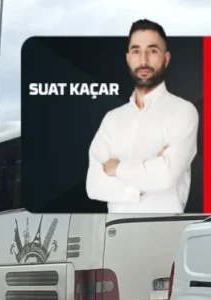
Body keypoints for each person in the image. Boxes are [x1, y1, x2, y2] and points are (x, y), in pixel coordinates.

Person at [85, 18, 199, 214]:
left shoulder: (182, 111)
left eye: (153, 51)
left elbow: (166, 176)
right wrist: (144, 182)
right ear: (128, 58)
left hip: (163, 232)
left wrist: (117, 169)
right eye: (136, 51)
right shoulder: (112, 119)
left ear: (166, 58)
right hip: (115, 234)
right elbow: (94, 186)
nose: (143, 61)